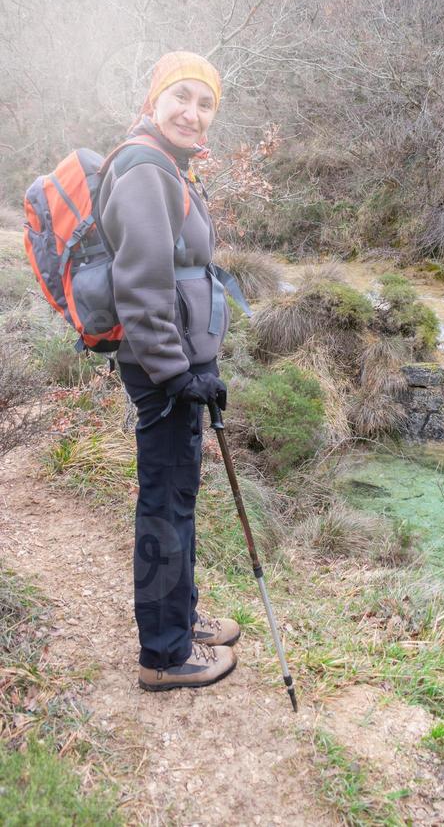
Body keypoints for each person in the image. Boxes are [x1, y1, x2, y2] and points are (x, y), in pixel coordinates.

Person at [97, 51, 240, 692]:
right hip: (165, 372)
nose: (193, 111)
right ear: (154, 100)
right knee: (163, 504)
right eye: (181, 96)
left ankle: (179, 616)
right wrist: (178, 373)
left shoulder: (169, 168)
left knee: (177, 496)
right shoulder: (145, 170)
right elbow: (142, 281)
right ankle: (165, 653)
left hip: (177, 367)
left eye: (205, 102)